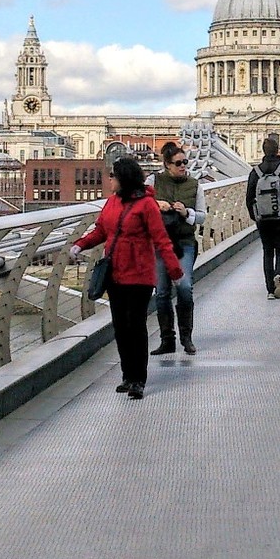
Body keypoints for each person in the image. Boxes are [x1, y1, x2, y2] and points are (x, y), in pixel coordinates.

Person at [72, 156, 184, 398]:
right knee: (121, 328)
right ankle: (127, 375)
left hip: (139, 276)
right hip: (115, 274)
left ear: (123, 178)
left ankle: (138, 379)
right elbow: (101, 230)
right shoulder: (112, 202)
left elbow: (161, 239)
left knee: (136, 327)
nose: (109, 180)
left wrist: (174, 270)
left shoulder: (147, 205)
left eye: (112, 176)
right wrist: (80, 244)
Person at [150, 143, 204, 356]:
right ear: (167, 165)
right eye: (178, 163)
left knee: (184, 287)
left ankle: (186, 337)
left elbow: (202, 215)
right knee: (162, 292)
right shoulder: (153, 182)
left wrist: (187, 212)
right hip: (161, 244)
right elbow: (142, 204)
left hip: (184, 243)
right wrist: (157, 205)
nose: (183, 166)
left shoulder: (195, 185)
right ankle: (167, 340)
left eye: (185, 162)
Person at [244, 137, 280, 299]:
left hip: (263, 219)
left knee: (268, 252)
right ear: (277, 151)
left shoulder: (256, 171)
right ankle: (279, 275)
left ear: (263, 151)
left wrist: (256, 217)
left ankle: (269, 290)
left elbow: (249, 198)